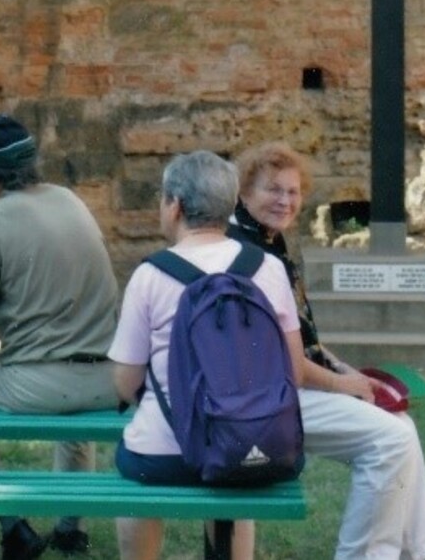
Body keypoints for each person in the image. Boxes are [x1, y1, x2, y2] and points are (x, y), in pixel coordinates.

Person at [229, 142, 425, 559]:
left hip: (283, 389)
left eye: (293, 192)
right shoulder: (249, 254)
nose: (285, 200)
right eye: (273, 190)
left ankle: (412, 553)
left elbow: (303, 337)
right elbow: (288, 364)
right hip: (263, 400)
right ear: (243, 192)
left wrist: (344, 370)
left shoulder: (269, 242)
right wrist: (344, 384)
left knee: (400, 424)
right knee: (391, 440)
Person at [0, 115, 119, 557]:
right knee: (74, 427)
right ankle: (70, 530)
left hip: (41, 381)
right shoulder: (69, 200)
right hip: (108, 379)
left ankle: (14, 526)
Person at [108, 151, 300, 560]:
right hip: (247, 448)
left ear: (174, 206)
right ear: (231, 206)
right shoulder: (266, 268)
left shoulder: (150, 274)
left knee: (134, 473)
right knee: (234, 468)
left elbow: (125, 383)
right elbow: (293, 370)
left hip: (162, 453)